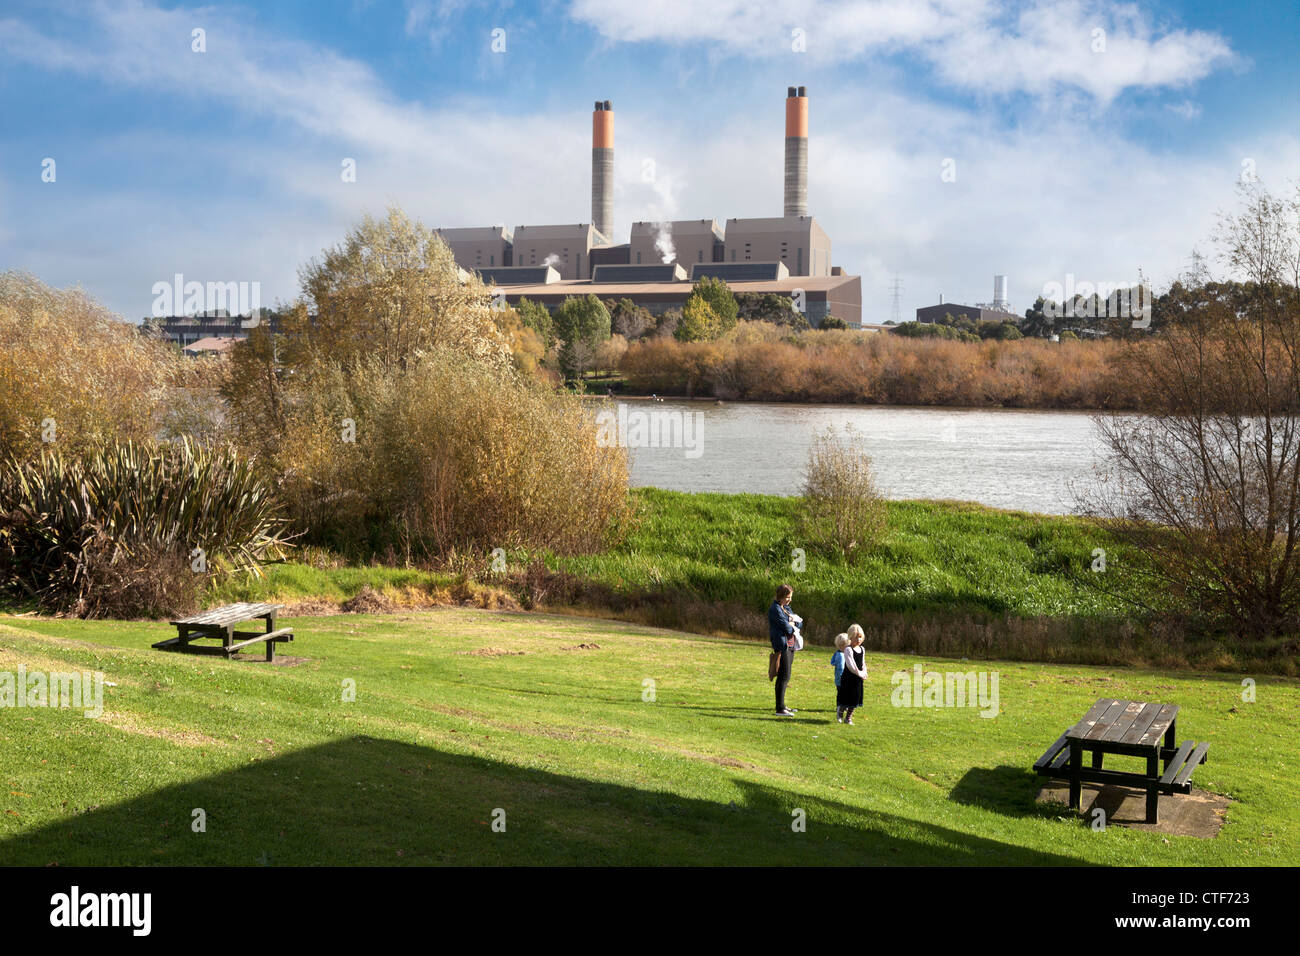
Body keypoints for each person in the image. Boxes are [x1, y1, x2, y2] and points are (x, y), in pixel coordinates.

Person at [768, 584, 800, 716]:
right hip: (782, 646)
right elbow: (787, 628)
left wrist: (793, 624)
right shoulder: (775, 609)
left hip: (791, 644)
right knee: (783, 676)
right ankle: (780, 708)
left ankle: (782, 705)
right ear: (780, 596)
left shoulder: (785, 607)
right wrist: (792, 624)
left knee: (786, 676)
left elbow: (799, 622)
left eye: (790, 597)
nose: (790, 600)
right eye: (787, 597)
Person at [837, 623, 868, 724]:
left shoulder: (862, 649)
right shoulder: (848, 649)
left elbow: (863, 662)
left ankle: (848, 717)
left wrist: (865, 672)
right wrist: (859, 673)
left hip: (858, 679)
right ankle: (840, 712)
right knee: (847, 698)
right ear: (850, 637)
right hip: (848, 678)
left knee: (856, 698)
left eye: (860, 637)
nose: (858, 639)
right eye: (856, 637)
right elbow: (851, 665)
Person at [831, 633, 849, 722]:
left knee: (840, 693)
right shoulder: (842, 655)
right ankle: (841, 706)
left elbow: (832, 662)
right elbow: (842, 667)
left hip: (838, 678)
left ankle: (840, 706)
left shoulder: (837, 653)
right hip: (842, 678)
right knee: (843, 693)